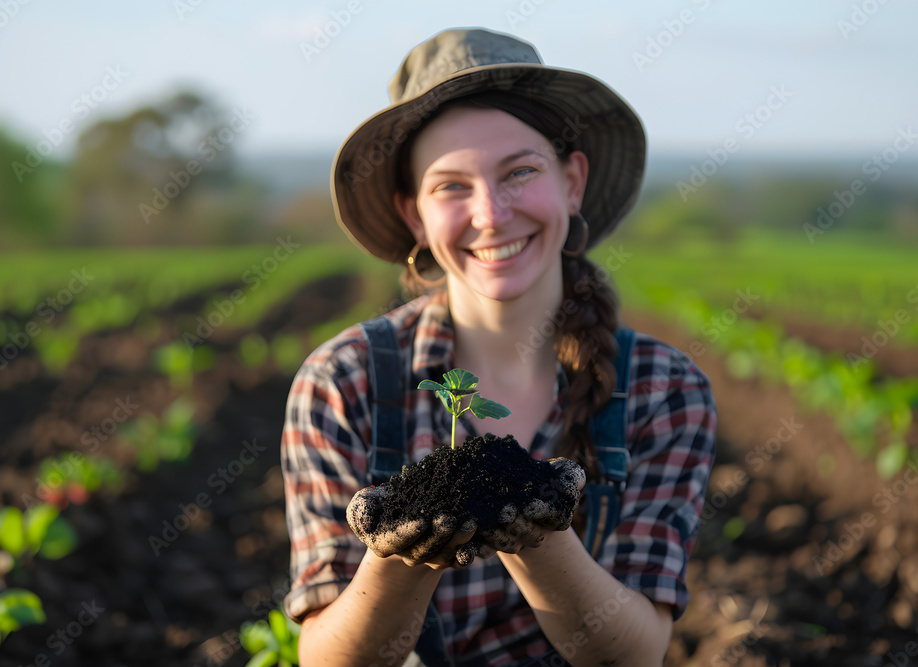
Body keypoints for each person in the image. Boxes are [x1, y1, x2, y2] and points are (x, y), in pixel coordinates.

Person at [281, 27, 716, 666]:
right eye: (451, 186)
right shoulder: (343, 384)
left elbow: (635, 654)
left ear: (572, 181)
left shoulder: (660, 389)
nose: (490, 213)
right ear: (414, 217)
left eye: (519, 171)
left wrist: (538, 535)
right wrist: (399, 555)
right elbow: (330, 660)